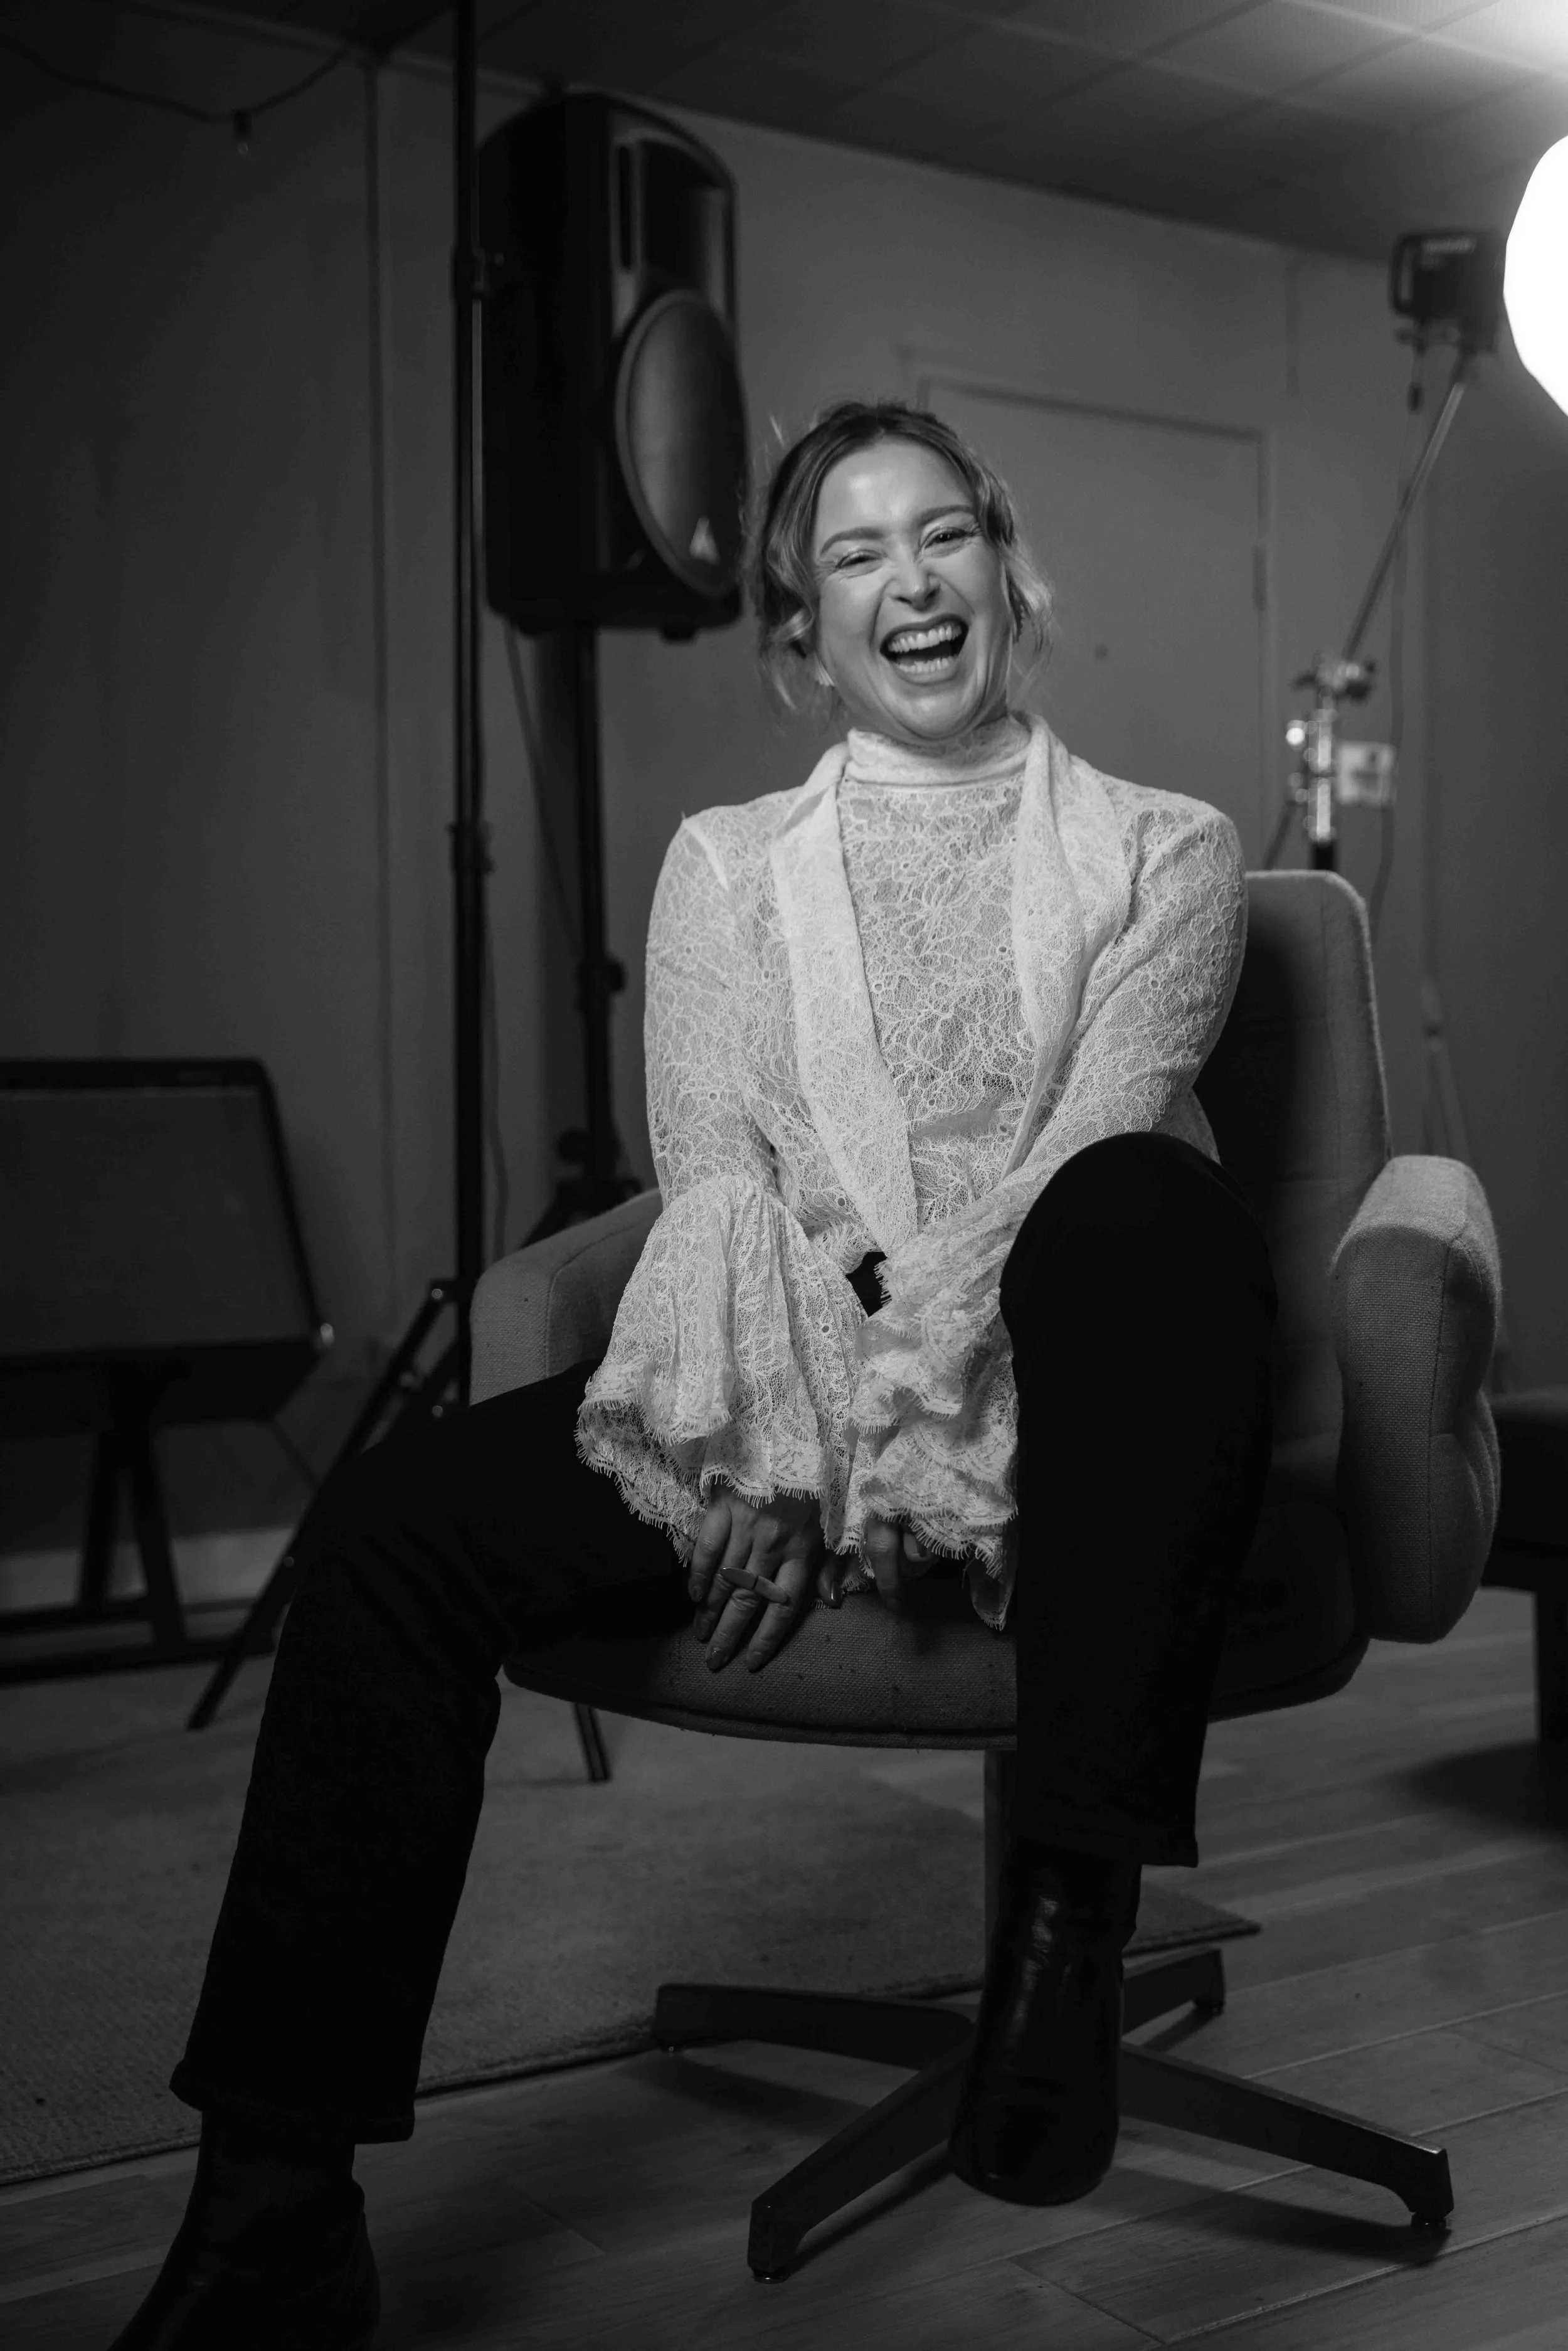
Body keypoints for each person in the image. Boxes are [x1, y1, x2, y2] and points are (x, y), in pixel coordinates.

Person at [110, 400, 1276, 2350]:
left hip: (1070, 1405)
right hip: (782, 1399)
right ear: (797, 635)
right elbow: (717, 1184)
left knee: (1145, 1206)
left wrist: (892, 1417)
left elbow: (1085, 1146)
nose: (908, 582)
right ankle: (274, 2211)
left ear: (1008, 566)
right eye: (851, 555)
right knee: (393, 1530)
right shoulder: (725, 867)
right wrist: (772, 1438)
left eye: (943, 537)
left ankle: (1064, 1930)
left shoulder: (1170, 847)